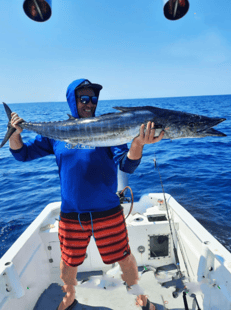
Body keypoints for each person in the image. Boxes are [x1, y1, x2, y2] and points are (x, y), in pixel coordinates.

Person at [9, 78, 164, 310]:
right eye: (83, 98)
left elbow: (127, 165)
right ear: (73, 100)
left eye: (93, 99)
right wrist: (14, 133)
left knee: (125, 257)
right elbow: (22, 154)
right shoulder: (57, 132)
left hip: (108, 212)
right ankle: (69, 295)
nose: (89, 103)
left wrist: (138, 145)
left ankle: (140, 296)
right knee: (69, 261)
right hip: (72, 214)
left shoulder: (109, 127)